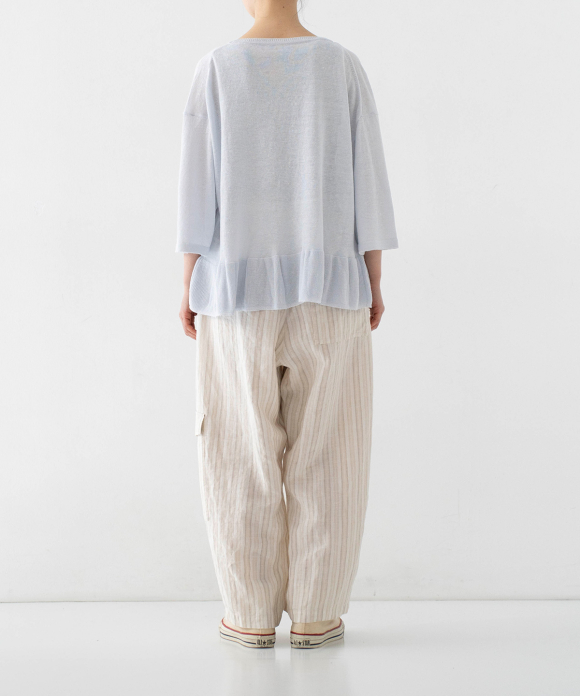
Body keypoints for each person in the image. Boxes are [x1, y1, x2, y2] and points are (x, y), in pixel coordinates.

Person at [177, 0, 398, 649]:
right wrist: (373, 277)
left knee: (238, 453)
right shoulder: (341, 67)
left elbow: (196, 189)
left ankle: (248, 614)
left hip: (234, 291)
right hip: (330, 288)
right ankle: (316, 615)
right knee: (332, 454)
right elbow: (368, 182)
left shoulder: (216, 69)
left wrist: (187, 280)